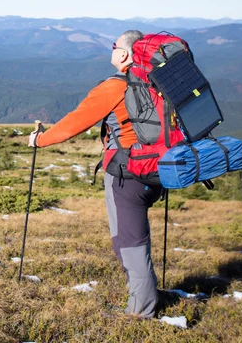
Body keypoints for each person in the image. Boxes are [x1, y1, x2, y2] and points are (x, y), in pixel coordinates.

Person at [28, 30, 162, 318]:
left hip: (127, 172)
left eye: (115, 46)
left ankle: (141, 310)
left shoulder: (115, 86)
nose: (112, 50)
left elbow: (73, 123)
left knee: (128, 242)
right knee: (136, 237)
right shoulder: (157, 80)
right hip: (159, 169)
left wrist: (39, 140)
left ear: (124, 54)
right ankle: (144, 295)